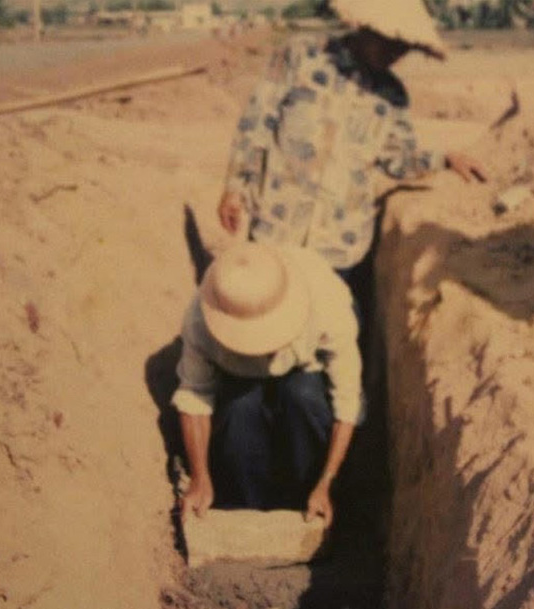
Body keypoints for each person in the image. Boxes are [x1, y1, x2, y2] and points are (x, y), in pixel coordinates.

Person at [217, 0, 486, 303]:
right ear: (367, 28)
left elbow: (396, 159)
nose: (395, 53)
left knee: (325, 333)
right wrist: (234, 186)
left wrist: (444, 159)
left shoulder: (392, 96)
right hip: (277, 228)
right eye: (391, 42)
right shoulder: (301, 56)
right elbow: (257, 121)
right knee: (265, 316)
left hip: (338, 244)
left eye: (405, 48)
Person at [173, 242, 363, 528]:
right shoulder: (201, 320)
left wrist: (326, 482)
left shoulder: (327, 307)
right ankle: (246, 503)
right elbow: (194, 397)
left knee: (301, 398)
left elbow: (347, 402)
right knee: (240, 410)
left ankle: (304, 498)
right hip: (237, 374)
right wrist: (200, 477)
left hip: (305, 366)